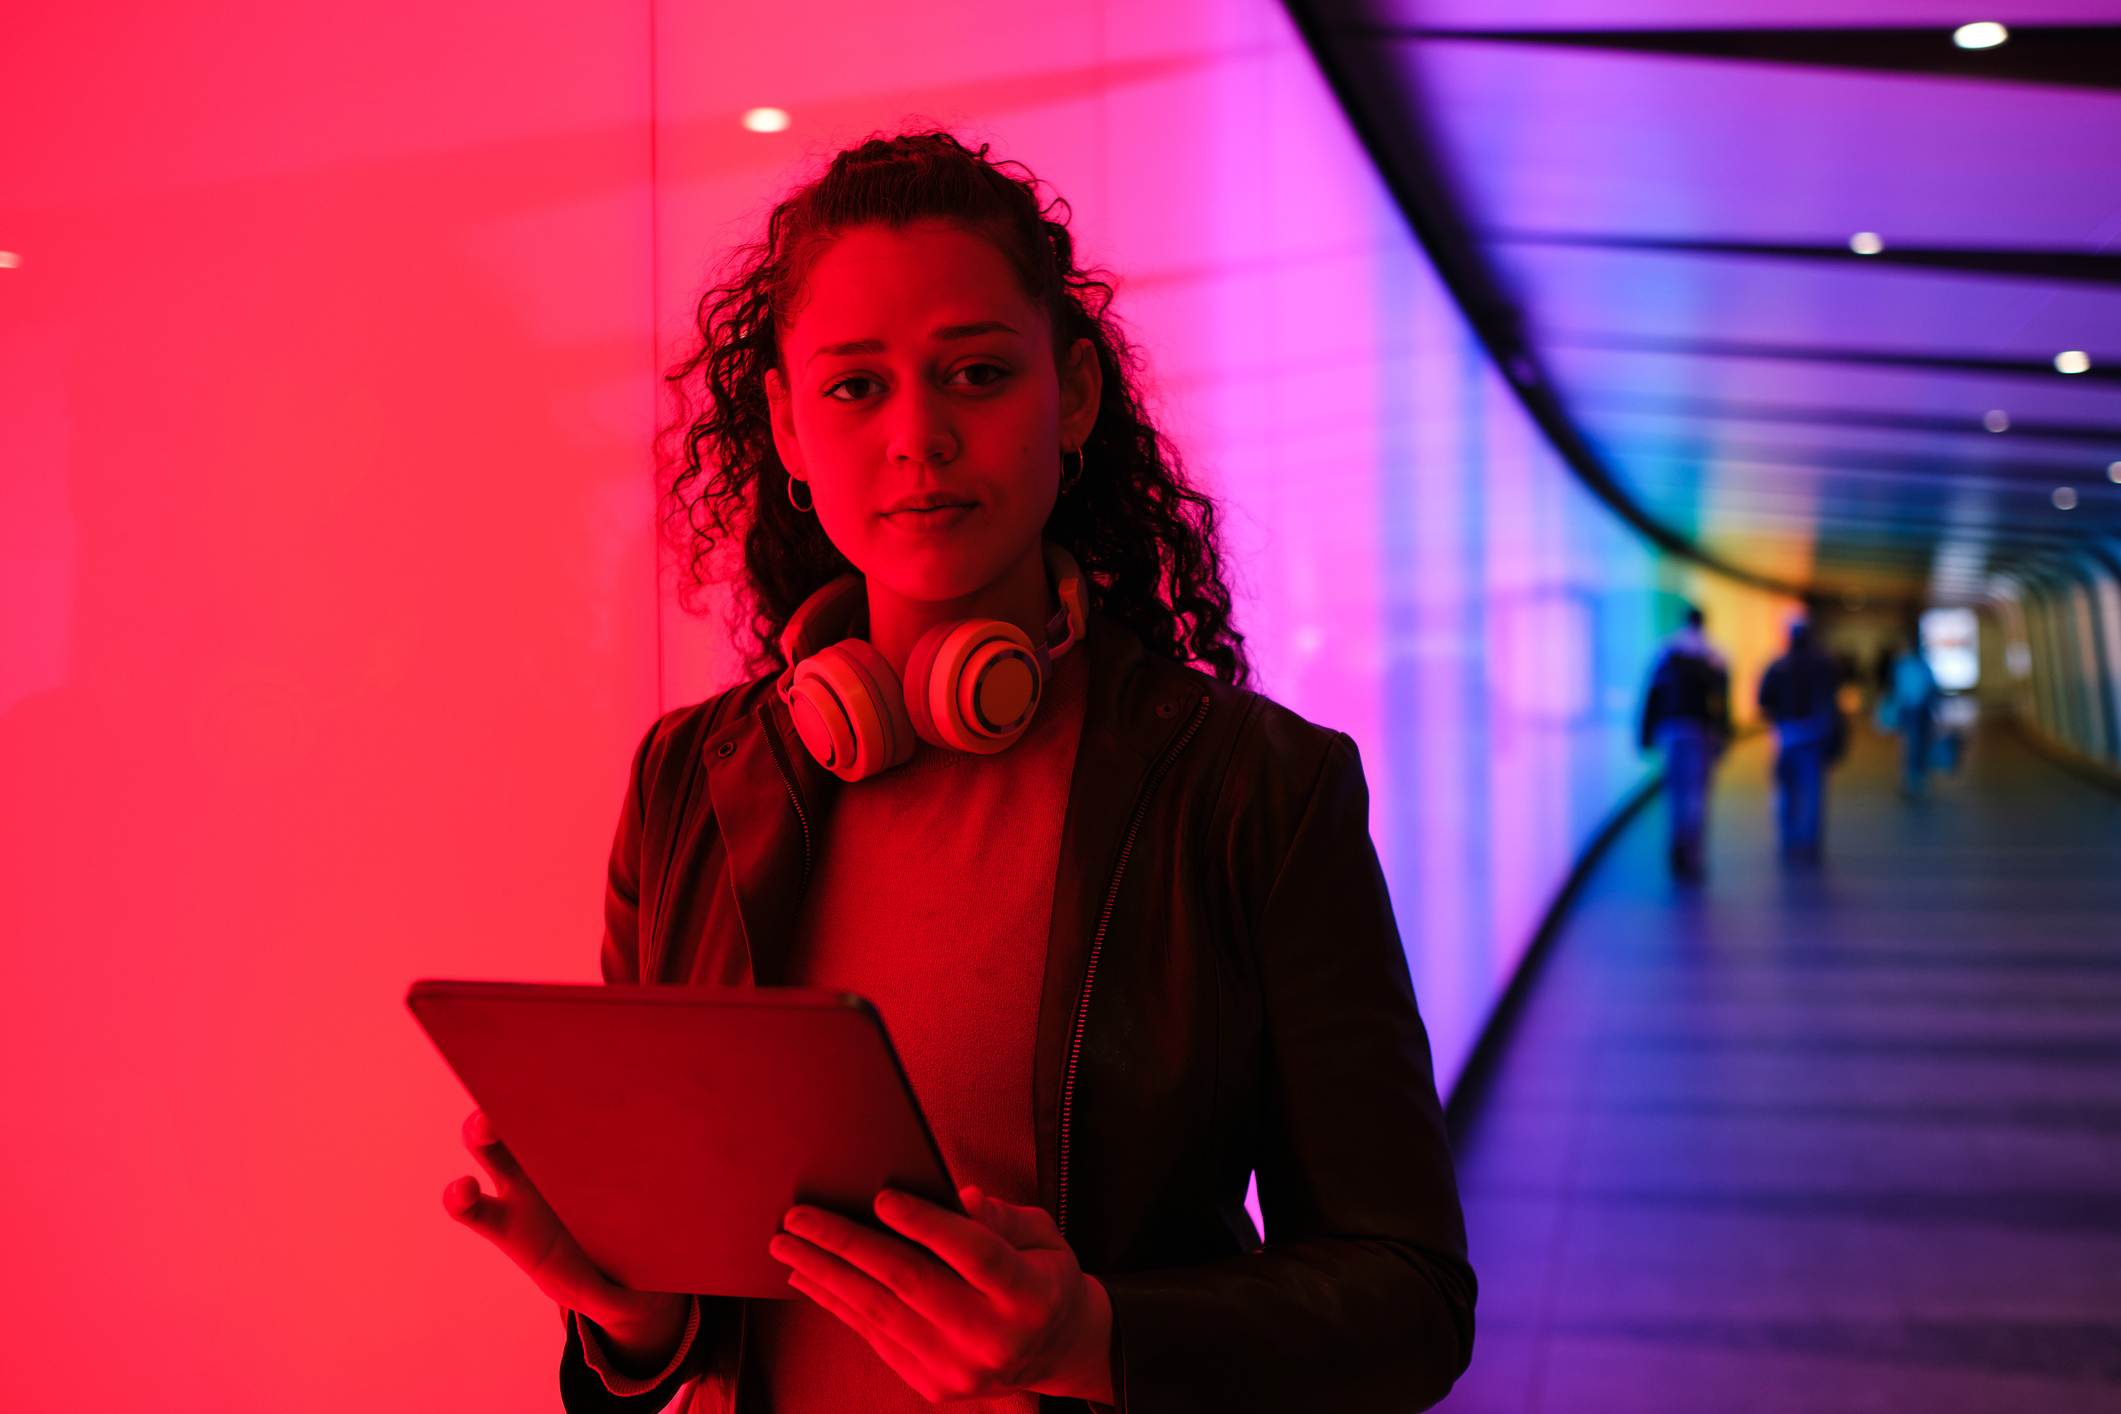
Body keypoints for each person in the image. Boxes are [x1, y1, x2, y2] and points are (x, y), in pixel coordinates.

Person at [437, 132, 1474, 1413]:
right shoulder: (686, 780)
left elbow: (1410, 1295)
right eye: (855, 387)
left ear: (1074, 395)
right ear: (787, 426)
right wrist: (633, 1315)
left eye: (977, 374)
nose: (918, 437)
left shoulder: (1255, 789)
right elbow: (681, 1303)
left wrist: (1099, 1336)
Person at [1638, 606, 1731, 881]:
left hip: (1671, 731)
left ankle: (1677, 844)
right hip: (1700, 731)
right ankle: (1693, 854)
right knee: (1697, 794)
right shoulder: (1713, 655)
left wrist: (1645, 734)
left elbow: (1652, 695)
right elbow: (1722, 700)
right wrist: (1723, 734)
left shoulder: (1666, 651)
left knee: (1675, 792)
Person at [1757, 622, 1844, 863]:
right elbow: (1833, 696)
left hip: (1787, 736)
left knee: (1786, 789)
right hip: (1814, 734)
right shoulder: (1823, 664)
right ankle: (1810, 842)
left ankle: (1788, 839)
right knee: (1812, 791)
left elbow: (1763, 700)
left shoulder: (1779, 665)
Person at [1886, 644, 1942, 797]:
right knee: (1918, 744)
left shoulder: (1902, 666)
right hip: (1920, 710)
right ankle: (1916, 778)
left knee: (1908, 744)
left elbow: (1896, 688)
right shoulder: (1923, 666)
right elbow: (1932, 688)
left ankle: (1909, 778)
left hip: (1908, 710)